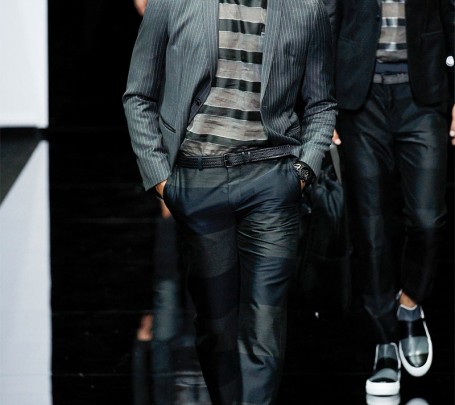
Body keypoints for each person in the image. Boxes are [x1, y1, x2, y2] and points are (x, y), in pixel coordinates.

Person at [123, 0, 336, 403]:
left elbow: (321, 102)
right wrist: (162, 181)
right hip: (200, 177)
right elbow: (139, 93)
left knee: (264, 325)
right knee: (216, 327)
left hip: (272, 180)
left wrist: (303, 170)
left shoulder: (305, 8)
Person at [324, 0, 454, 397]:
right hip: (360, 99)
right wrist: (321, 105)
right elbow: (324, 20)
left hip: (423, 95)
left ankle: (410, 303)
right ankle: (384, 339)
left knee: (428, 220)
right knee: (370, 228)